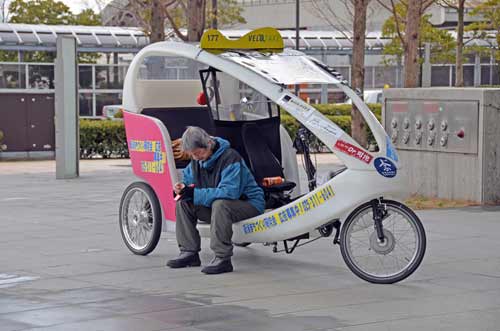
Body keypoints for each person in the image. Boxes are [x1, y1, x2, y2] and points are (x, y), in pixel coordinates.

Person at [166, 126, 265, 274]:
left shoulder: (230, 157)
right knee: (183, 203)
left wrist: (194, 193)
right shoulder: (196, 161)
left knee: (221, 204)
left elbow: (229, 192)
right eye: (192, 155)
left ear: (209, 144)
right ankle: (189, 253)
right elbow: (189, 183)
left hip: (248, 204)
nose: (195, 158)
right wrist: (182, 189)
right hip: (219, 206)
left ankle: (222, 258)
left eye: (198, 153)